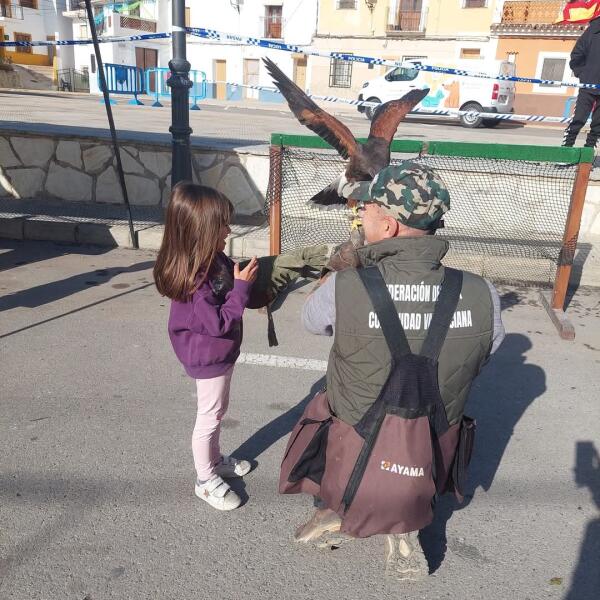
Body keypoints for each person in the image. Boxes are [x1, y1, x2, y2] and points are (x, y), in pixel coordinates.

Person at [289, 162, 505, 581]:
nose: (358, 215)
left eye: (366, 208)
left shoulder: (347, 284)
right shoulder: (481, 292)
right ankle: (405, 528)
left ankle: (335, 507)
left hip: (355, 424)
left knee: (334, 412)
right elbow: (489, 347)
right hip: (435, 427)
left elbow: (312, 323)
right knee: (413, 441)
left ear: (386, 226)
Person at [154, 183, 258, 511]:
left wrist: (245, 279)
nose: (229, 230)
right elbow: (217, 324)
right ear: (202, 230)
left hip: (219, 353)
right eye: (223, 225)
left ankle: (214, 461)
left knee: (218, 410)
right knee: (210, 415)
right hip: (207, 356)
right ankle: (205, 479)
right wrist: (241, 289)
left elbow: (227, 286)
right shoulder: (193, 280)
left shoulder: (212, 258)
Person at [563, 14, 600, 148]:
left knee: (597, 126)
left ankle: (587, 157)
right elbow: (576, 55)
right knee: (578, 120)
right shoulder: (592, 31)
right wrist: (583, 74)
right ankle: (565, 151)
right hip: (588, 85)